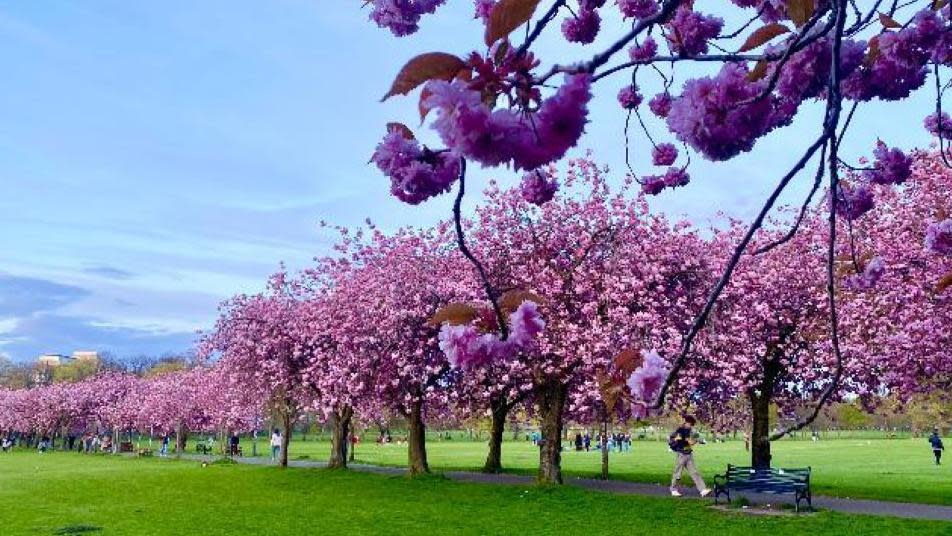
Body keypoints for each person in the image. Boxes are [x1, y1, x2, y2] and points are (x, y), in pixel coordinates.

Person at [668, 415, 712, 497]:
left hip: (689, 454)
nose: (690, 426)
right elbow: (672, 439)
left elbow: (698, 439)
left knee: (694, 472)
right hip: (681, 455)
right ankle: (673, 489)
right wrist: (679, 441)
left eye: (691, 424)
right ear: (686, 422)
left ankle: (702, 490)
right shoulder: (679, 431)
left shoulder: (692, 431)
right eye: (689, 424)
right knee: (678, 474)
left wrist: (700, 441)